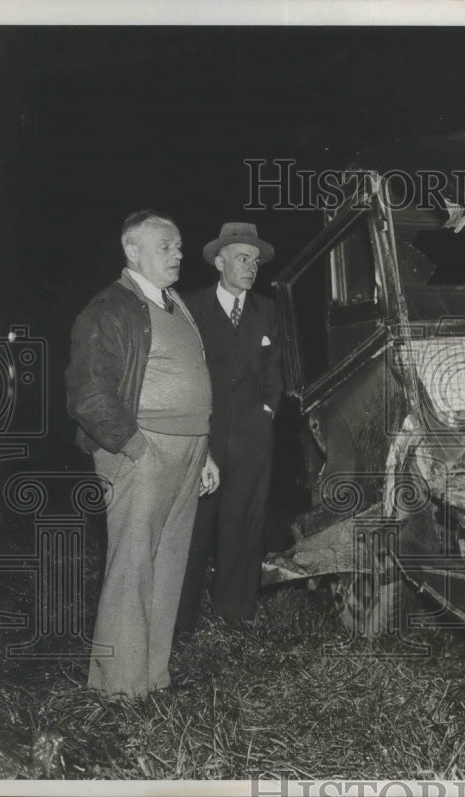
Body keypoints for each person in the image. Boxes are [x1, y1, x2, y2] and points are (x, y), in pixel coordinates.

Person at [65, 209, 220, 696]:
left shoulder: (174, 302)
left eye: (178, 245)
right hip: (140, 450)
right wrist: (134, 447)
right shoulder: (111, 306)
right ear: (133, 252)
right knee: (132, 567)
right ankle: (116, 687)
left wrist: (205, 451)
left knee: (168, 566)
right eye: (165, 245)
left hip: (189, 449)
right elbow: (89, 393)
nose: (178, 253)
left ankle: (152, 677)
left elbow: (191, 382)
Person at [176, 222, 283, 631]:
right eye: (242, 258)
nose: (251, 267)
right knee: (195, 525)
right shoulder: (189, 306)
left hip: (254, 437)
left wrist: (268, 413)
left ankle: (236, 612)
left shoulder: (267, 310)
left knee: (245, 519)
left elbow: (276, 371)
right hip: (204, 435)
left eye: (255, 261)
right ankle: (180, 619)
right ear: (220, 262)